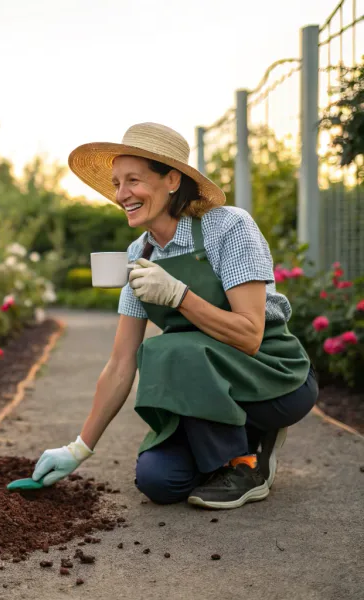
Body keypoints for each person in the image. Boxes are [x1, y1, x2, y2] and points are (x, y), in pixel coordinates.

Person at [31, 123, 317, 510]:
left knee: (168, 349)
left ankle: (247, 461)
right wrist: (79, 447)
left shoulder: (228, 227)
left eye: (133, 180)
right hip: (202, 388)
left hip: (271, 377)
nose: (121, 194)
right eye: (117, 183)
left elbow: (250, 334)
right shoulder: (140, 255)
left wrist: (180, 296)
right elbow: (120, 363)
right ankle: (223, 449)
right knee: (158, 481)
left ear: (171, 179)